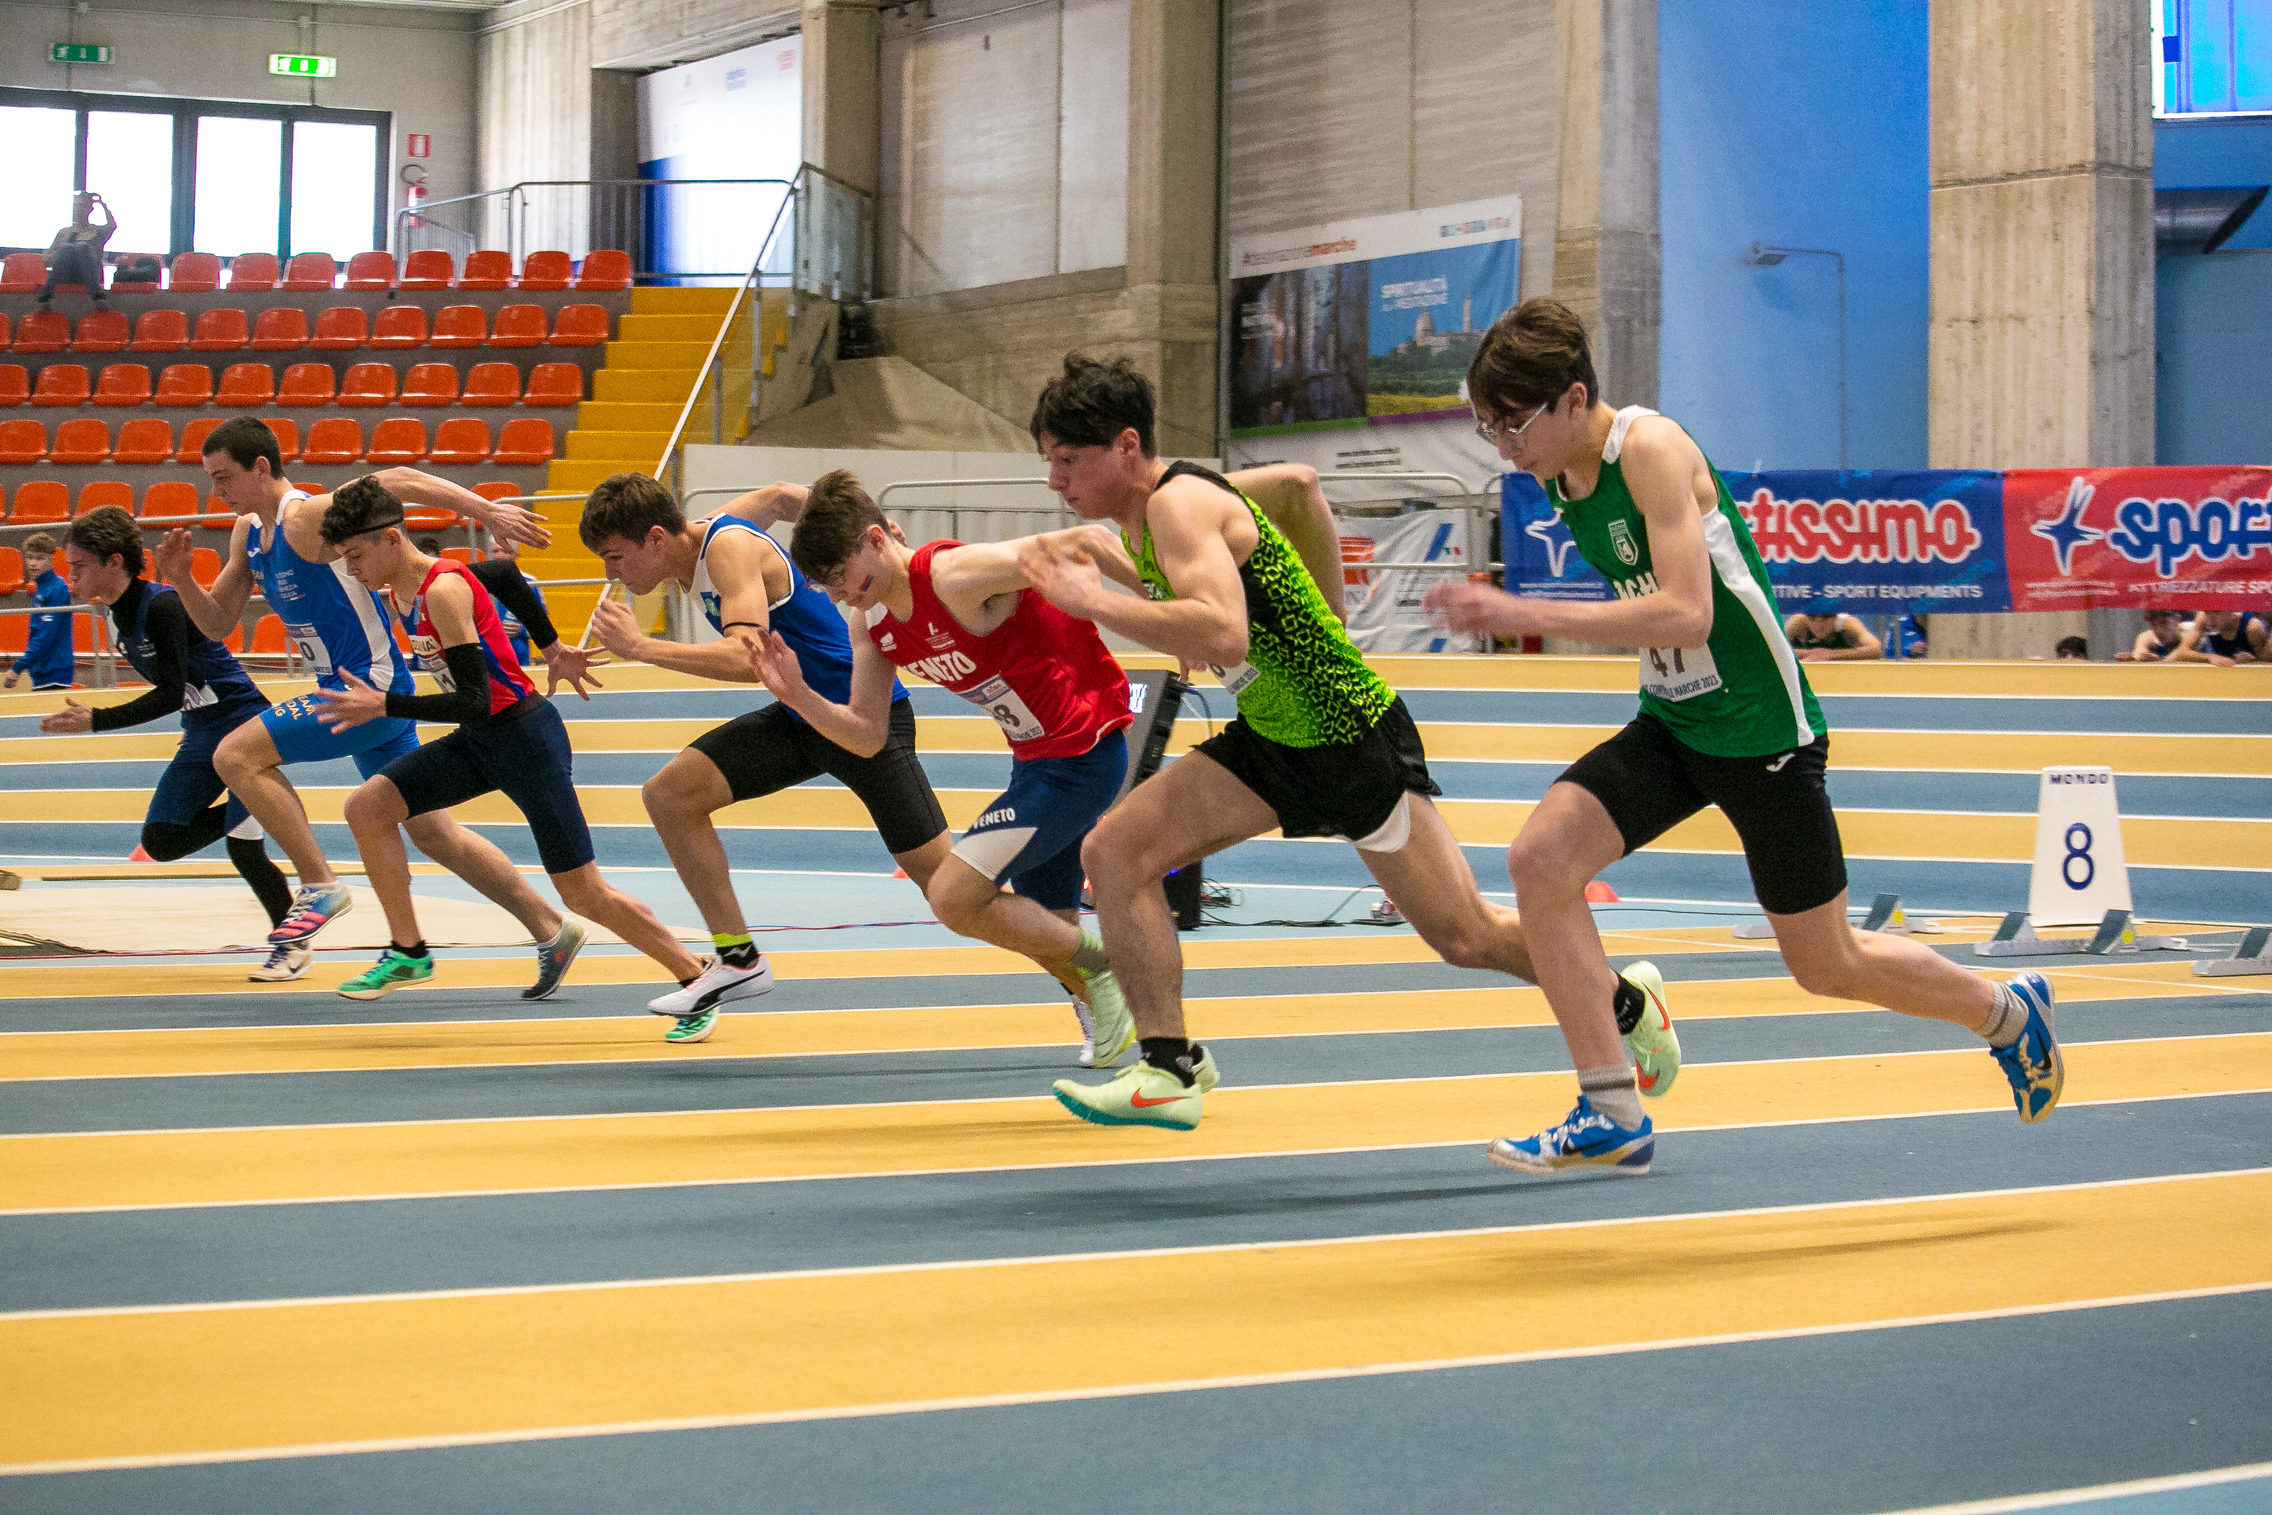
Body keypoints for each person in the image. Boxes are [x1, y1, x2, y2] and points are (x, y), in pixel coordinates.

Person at [1423, 297, 2061, 1176]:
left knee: (1827, 963)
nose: (1502, 446)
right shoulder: (1557, 475)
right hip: (1674, 722)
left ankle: (2008, 1012)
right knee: (1539, 860)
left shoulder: (1650, 449)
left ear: (1573, 398)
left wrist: (1517, 610)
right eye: (1487, 425)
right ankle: (1610, 1108)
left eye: (1513, 423)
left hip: (1763, 734)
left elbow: (1687, 612)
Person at [1016, 354, 1680, 1133]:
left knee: (1465, 935)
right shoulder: (1154, 512)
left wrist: (1094, 600)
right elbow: (1301, 485)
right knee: (1114, 851)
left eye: (1069, 460)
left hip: (1346, 739)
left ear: (1127, 446)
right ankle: (1168, 1068)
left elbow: (1223, 629)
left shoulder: (1178, 505)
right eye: (1050, 462)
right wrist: (1317, 614)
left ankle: (1626, 1001)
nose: (1056, 480)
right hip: (1273, 737)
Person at [767, 469, 1150, 1065]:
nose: (838, 595)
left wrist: (1170, 609)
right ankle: (1128, 1024)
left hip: (1084, 754)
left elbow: (1090, 540)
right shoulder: (871, 622)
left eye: (840, 576)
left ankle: (1109, 968)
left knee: (953, 896)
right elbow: (867, 735)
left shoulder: (952, 576)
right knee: (1047, 923)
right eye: (824, 586)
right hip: (1036, 763)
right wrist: (798, 695)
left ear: (875, 540)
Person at [159, 417, 567, 967]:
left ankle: (320, 884)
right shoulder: (247, 534)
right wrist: (181, 579)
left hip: (368, 688)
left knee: (234, 755)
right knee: (433, 833)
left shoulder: (304, 518)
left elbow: (397, 479)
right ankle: (551, 929)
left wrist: (486, 511)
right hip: (350, 691)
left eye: (223, 477)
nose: (216, 491)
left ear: (260, 468)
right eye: (210, 479)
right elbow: (217, 623)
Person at [309, 477, 701, 1001]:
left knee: (583, 893)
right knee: (368, 808)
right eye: (344, 559)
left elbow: (474, 699)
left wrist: (384, 704)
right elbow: (503, 574)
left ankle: (695, 973)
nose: (351, 569)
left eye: (355, 555)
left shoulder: (442, 591)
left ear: (392, 539)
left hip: (524, 741)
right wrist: (553, 646)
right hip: (481, 740)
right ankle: (408, 952)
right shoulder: (413, 586)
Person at [36, 508, 305, 978]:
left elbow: (168, 692)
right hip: (201, 731)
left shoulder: (161, 606)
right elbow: (180, 696)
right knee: (161, 840)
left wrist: (97, 719)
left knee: (244, 851)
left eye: (78, 565)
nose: (70, 575)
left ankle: (292, 947)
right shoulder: (115, 613)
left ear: (114, 562)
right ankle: (267, 804)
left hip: (245, 728)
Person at [5, 533, 75, 691]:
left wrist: (18, 667)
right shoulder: (41, 588)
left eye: (39, 558)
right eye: (29, 557)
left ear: (51, 559)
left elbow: (45, 635)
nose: (32, 563)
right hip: (42, 671)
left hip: (55, 671)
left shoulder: (57, 589)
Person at [37, 192, 114, 308]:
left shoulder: (97, 231)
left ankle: (97, 296)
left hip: (88, 274)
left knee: (82, 247)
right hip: (64, 272)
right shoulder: (64, 232)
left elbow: (112, 225)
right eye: (77, 205)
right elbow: (46, 260)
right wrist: (60, 255)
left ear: (90, 209)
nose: (79, 209)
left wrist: (102, 204)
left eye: (83, 206)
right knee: (67, 248)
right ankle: (46, 297)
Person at [2172, 610, 2266, 666]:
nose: (2210, 619)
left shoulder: (2252, 627)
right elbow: (2182, 652)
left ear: (2230, 610)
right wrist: (2209, 657)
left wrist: (2252, 660)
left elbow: (2266, 662)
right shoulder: (2202, 618)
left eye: (2217, 612)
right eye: (2207, 612)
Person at [1782, 610, 1882, 662]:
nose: (1819, 625)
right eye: (1812, 617)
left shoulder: (1847, 623)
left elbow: (1875, 649)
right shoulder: (1799, 622)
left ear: (1835, 617)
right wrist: (1808, 653)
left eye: (1825, 617)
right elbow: (1775, 649)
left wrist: (1830, 654)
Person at [2116, 609, 2187, 662]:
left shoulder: (2187, 634)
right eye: (2154, 624)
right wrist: (2131, 659)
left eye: (2164, 623)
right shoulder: (2148, 637)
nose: (2159, 631)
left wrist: (2158, 661)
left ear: (2177, 619)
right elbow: (2139, 654)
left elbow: (2181, 653)